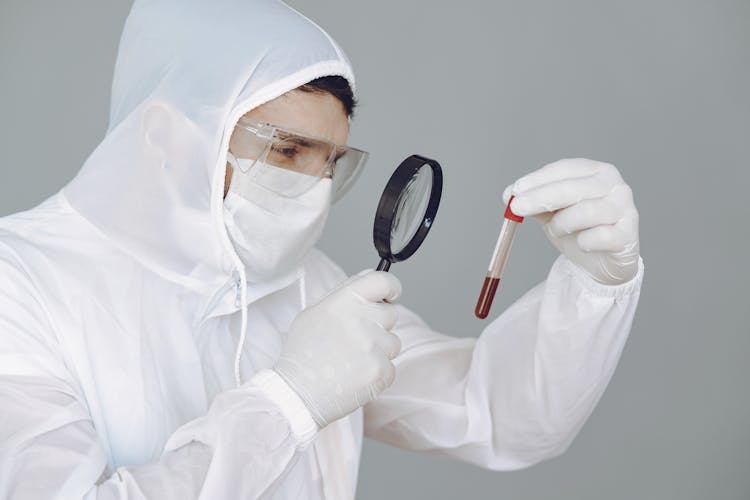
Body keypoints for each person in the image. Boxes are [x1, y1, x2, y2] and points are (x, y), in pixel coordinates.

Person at [0, 0, 643, 498]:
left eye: (331, 162)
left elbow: (499, 416)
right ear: (167, 135)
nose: (312, 188)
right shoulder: (20, 285)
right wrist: (289, 402)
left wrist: (596, 285)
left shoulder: (309, 284)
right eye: (287, 151)